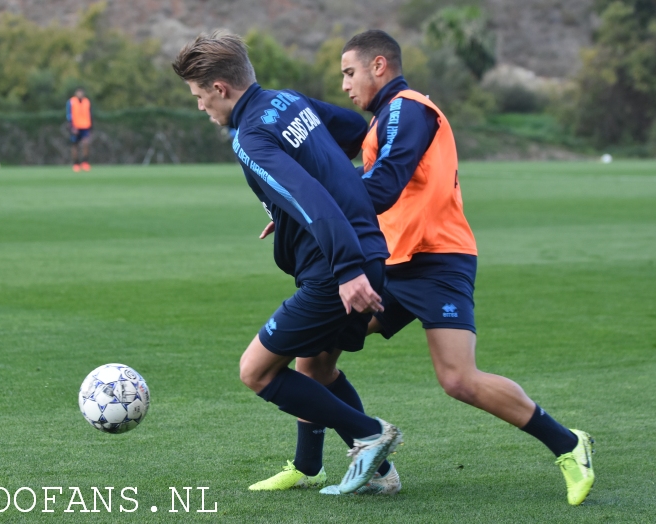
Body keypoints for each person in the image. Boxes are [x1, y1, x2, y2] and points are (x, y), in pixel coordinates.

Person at [254, 29, 595, 506]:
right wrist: (302, 207)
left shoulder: (408, 108)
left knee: (458, 379)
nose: (346, 86)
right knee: (315, 353)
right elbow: (348, 172)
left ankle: (568, 444)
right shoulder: (381, 120)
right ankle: (323, 464)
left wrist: (314, 210)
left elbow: (385, 185)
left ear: (379, 65)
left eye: (350, 73)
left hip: (437, 260)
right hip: (391, 261)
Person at [171, 30, 403, 494]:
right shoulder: (286, 101)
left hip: (336, 269)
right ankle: (375, 474)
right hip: (367, 248)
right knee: (315, 367)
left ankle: (368, 434)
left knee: (256, 371)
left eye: (199, 96)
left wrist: (346, 270)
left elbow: (311, 195)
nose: (201, 107)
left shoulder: (249, 136)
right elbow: (355, 135)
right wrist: (291, 213)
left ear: (220, 88)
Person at [67, 88, 92, 172]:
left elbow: (90, 114)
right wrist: (72, 127)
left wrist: (91, 126)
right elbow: (69, 115)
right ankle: (76, 163)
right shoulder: (71, 102)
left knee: (86, 143)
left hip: (85, 126)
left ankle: (85, 162)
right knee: (75, 145)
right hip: (75, 127)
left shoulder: (87, 101)